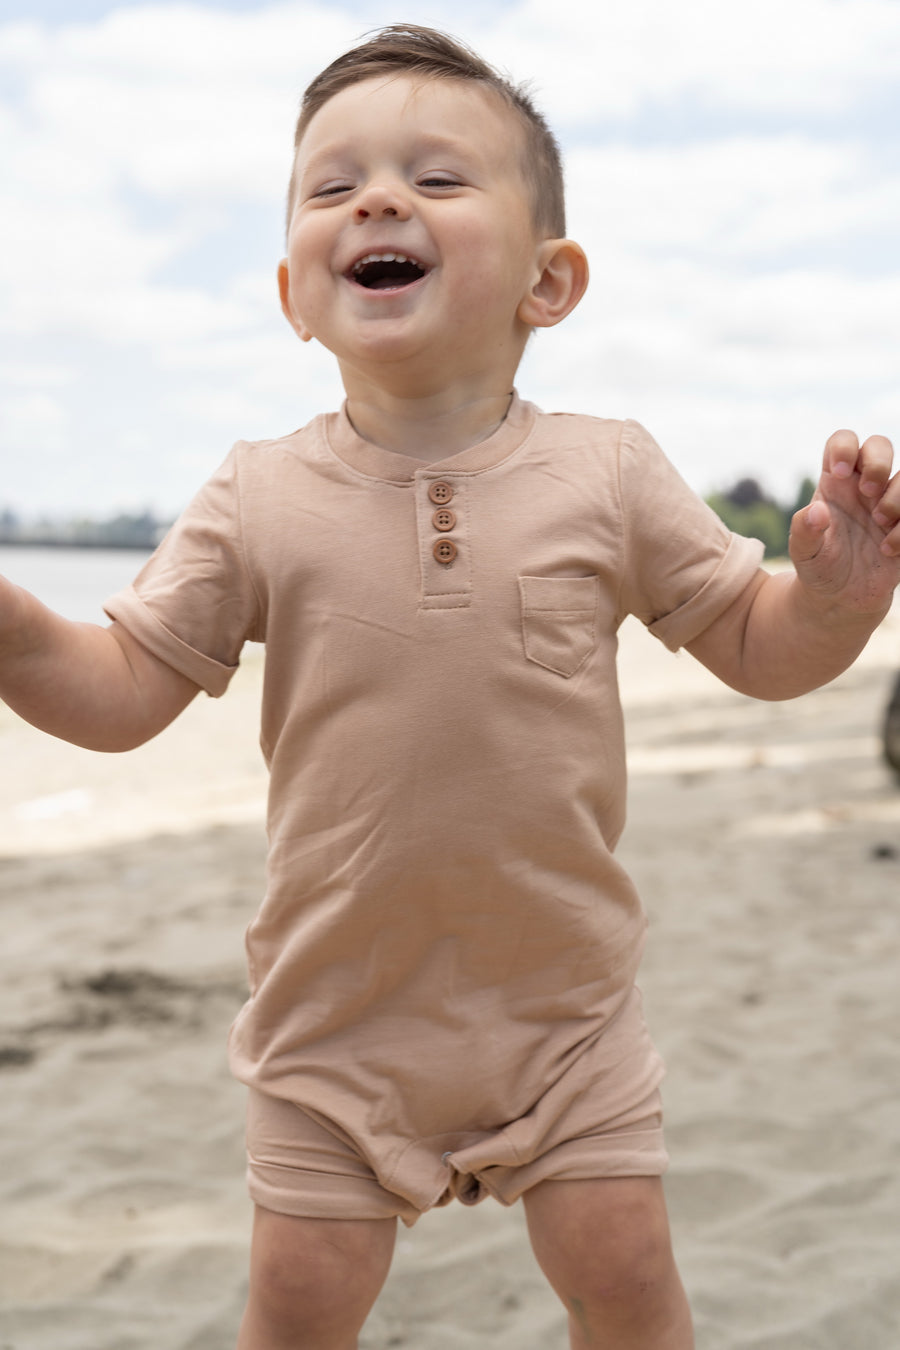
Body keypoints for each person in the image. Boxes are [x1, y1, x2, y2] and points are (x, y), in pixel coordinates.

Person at [2, 24, 899, 1350]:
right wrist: (17, 629)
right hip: (333, 1024)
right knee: (300, 1306)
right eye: (334, 185)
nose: (377, 200)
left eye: (435, 177)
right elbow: (124, 683)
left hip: (564, 1016)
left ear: (550, 281)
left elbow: (759, 649)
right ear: (294, 293)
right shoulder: (256, 495)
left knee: (628, 1280)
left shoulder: (611, 472)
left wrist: (834, 596)